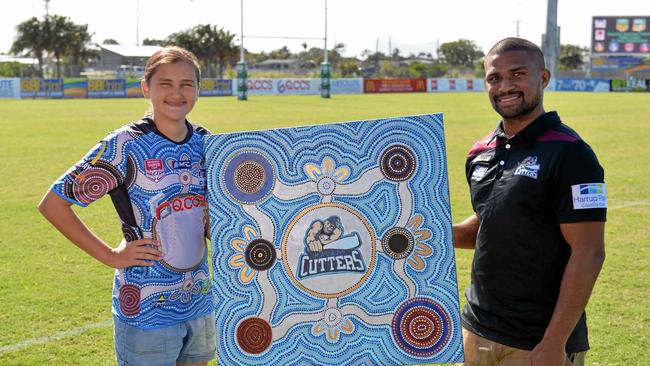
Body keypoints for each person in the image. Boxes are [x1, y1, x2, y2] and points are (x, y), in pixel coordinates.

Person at [38, 46, 215, 366]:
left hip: (199, 299)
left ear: (198, 90)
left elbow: (212, 216)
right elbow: (54, 204)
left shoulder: (207, 142)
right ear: (146, 87)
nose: (177, 93)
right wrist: (110, 255)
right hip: (146, 305)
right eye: (166, 83)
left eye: (187, 84)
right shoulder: (125, 144)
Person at [453, 38, 606, 366]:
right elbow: (488, 223)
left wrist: (554, 342)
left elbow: (589, 252)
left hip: (538, 341)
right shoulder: (479, 153)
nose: (505, 86)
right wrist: (428, 231)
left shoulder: (571, 152)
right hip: (476, 330)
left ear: (544, 78)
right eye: (494, 78)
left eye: (517, 74)